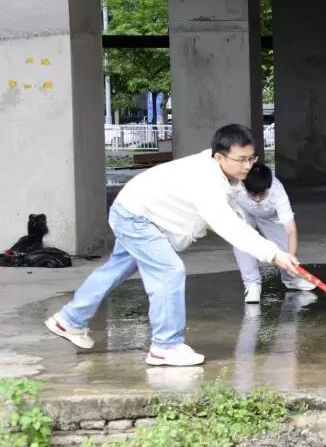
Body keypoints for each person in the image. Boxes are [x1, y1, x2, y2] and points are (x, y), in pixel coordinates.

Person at [44, 124, 301, 367]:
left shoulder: (225, 175)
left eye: (251, 158)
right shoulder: (207, 181)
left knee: (117, 269)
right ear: (219, 157)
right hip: (137, 217)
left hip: (138, 212)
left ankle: (70, 319)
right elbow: (229, 226)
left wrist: (276, 253)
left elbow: (235, 219)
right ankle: (165, 346)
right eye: (241, 159)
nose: (248, 166)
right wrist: (273, 254)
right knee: (169, 271)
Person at [231, 161, 316, 303]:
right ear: (244, 186)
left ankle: (291, 278)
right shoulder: (235, 186)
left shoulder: (277, 191)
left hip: (270, 217)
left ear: (269, 187)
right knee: (241, 241)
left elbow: (291, 229)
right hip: (244, 212)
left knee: (284, 250)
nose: (257, 199)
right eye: (253, 194)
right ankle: (252, 284)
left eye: (262, 194)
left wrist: (292, 258)